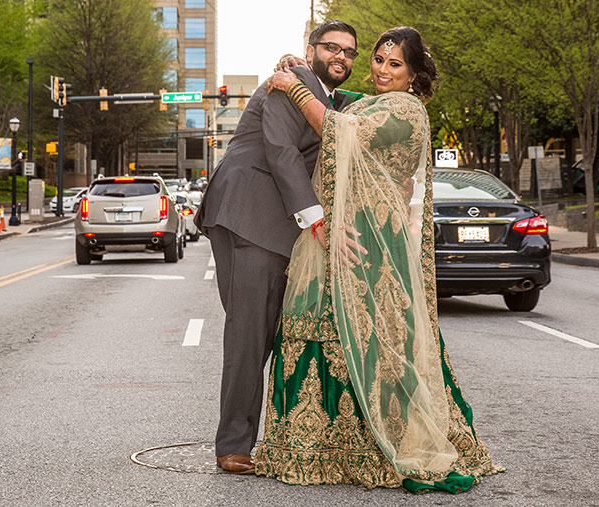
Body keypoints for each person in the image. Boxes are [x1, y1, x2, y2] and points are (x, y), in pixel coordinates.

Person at [255, 27, 503, 493]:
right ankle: (324, 445)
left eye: (395, 65)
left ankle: (375, 443)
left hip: (373, 234)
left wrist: (293, 85)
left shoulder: (405, 108)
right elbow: (341, 99)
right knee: (323, 321)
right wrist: (302, 66)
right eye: (378, 60)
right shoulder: (373, 100)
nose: (383, 70)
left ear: (412, 75)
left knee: (372, 332)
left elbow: (333, 126)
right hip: (347, 225)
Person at [193, 20, 364, 475]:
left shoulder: (319, 92)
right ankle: (233, 445)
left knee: (261, 333)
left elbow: (342, 115)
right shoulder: (293, 83)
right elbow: (282, 152)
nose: (341, 58)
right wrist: (316, 219)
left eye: (349, 52)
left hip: (262, 220)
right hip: (252, 214)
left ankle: (243, 439)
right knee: (250, 334)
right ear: (310, 51)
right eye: (332, 48)